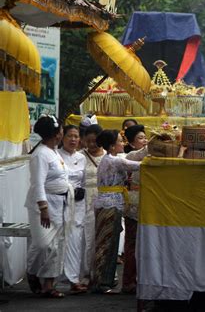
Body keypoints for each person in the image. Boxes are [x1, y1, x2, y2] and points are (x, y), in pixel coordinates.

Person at [25, 115, 69, 298]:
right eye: (61, 130)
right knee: (43, 244)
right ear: (57, 134)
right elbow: (37, 184)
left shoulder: (54, 151)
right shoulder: (40, 154)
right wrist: (43, 208)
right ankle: (32, 271)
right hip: (42, 205)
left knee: (55, 246)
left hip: (59, 203)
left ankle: (49, 285)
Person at [92, 130, 141, 294]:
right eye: (120, 141)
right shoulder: (113, 161)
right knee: (106, 243)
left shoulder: (110, 159)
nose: (123, 143)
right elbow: (139, 166)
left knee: (109, 243)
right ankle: (99, 281)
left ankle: (105, 280)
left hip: (110, 203)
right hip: (109, 204)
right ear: (112, 146)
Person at [58, 125, 88, 294]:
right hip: (61, 201)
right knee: (61, 238)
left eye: (76, 136)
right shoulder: (56, 155)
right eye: (70, 136)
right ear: (62, 138)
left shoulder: (82, 157)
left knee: (76, 239)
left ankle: (74, 278)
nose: (73, 139)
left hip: (78, 203)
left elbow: (83, 181)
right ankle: (54, 277)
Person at [122, 125, 148, 294]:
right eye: (140, 138)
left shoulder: (149, 155)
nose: (144, 141)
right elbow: (142, 154)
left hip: (146, 204)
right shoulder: (131, 156)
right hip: (133, 205)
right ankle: (128, 281)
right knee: (132, 245)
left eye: (145, 137)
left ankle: (140, 279)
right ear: (131, 143)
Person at [79, 124, 105, 283]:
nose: (92, 145)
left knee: (102, 237)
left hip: (103, 199)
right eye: (88, 141)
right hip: (84, 201)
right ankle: (86, 273)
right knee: (87, 237)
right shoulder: (79, 156)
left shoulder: (109, 156)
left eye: (95, 141)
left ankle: (102, 273)